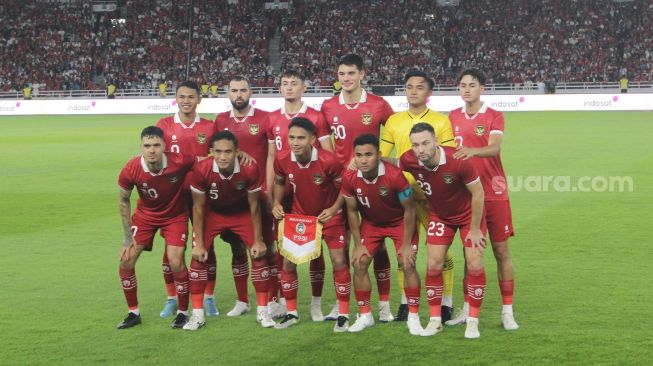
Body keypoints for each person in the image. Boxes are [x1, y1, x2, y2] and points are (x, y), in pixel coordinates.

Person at [321, 54, 396, 322]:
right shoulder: (329, 106)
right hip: (341, 186)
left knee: (377, 245)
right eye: (342, 74)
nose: (346, 79)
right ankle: (342, 303)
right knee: (341, 248)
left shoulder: (377, 104)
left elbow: (395, 132)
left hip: (374, 184)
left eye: (351, 73)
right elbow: (323, 140)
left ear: (362, 74)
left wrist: (379, 157)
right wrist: (335, 167)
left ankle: (384, 306)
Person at [380, 70, 457, 322]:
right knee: (405, 252)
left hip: (433, 197)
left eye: (419, 87)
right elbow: (381, 156)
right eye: (409, 86)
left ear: (429, 93)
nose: (413, 91)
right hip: (402, 198)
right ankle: (405, 302)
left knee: (441, 253)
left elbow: (449, 158)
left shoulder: (441, 121)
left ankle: (446, 302)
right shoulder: (393, 121)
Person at [399, 122, 487, 339]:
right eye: (416, 145)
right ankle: (436, 320)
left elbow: (478, 193)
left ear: (436, 141)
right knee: (433, 264)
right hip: (440, 216)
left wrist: (475, 229)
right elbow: (394, 165)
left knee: (475, 263)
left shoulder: (459, 161)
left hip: (469, 216)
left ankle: (473, 322)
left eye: (425, 143)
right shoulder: (409, 159)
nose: (420, 150)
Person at [448, 69, 519, 331]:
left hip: (494, 191)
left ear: (482, 88)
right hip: (467, 195)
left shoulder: (494, 115)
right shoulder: (452, 117)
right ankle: (467, 309)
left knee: (501, 252)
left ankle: (507, 311)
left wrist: (470, 151)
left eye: (472, 85)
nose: (466, 89)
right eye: (462, 85)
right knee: (471, 256)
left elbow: (495, 147)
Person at [184, 131, 275, 330]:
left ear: (237, 152)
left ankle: (262, 312)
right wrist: (198, 242)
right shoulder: (202, 169)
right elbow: (198, 208)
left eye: (228, 152)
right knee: (198, 256)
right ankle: (197, 315)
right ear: (211, 152)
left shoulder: (250, 168)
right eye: (218, 152)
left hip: (242, 213)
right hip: (213, 213)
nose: (223, 157)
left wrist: (258, 239)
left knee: (259, 254)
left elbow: (254, 206)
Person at [267, 70, 334, 321]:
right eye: (284, 83)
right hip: (283, 193)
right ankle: (285, 302)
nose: (289, 87)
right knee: (283, 249)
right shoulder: (273, 118)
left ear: (304, 87)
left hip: (313, 191)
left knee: (316, 248)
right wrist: (269, 190)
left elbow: (328, 153)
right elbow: (273, 157)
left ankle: (315, 304)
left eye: (294, 83)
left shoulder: (315, 116)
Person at [271, 117, 350, 332]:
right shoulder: (282, 159)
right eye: (292, 138)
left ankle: (343, 313)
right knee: (288, 263)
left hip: (329, 217)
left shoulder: (329, 161)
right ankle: (292, 313)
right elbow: (279, 182)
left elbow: (345, 190)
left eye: (301, 138)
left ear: (313, 139)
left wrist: (333, 210)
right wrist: (276, 202)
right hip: (300, 218)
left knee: (339, 260)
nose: (295, 143)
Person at [116, 126, 194, 329]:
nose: (152, 150)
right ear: (141, 147)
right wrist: (126, 237)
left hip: (175, 216)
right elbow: (123, 200)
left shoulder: (179, 160)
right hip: (145, 217)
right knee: (126, 261)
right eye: (147, 146)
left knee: (176, 262)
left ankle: (183, 312)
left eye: (156, 145)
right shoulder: (131, 168)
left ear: (164, 146)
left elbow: (203, 162)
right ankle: (133, 313)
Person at [342, 134, 420, 334]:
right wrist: (358, 244)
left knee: (407, 262)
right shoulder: (350, 178)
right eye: (359, 155)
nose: (363, 159)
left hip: (399, 222)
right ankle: (365, 315)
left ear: (379, 155)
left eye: (368, 154)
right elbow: (351, 210)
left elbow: (410, 210)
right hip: (372, 223)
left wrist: (405, 244)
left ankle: (413, 316)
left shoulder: (394, 176)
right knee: (359, 262)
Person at [155, 81, 219, 318]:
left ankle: (208, 298)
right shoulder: (164, 125)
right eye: (182, 96)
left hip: (203, 193)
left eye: (191, 97)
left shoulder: (209, 126)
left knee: (205, 244)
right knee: (172, 247)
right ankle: (172, 297)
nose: (186, 101)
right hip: (174, 196)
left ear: (199, 99)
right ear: (175, 98)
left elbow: (218, 155)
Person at [215, 76, 275, 318]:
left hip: (260, 193)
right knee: (237, 248)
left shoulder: (265, 118)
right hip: (232, 197)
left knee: (268, 247)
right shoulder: (220, 121)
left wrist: (269, 189)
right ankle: (242, 300)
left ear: (251, 92)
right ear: (228, 94)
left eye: (243, 90)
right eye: (234, 91)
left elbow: (272, 155)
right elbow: (215, 153)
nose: (239, 94)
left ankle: (272, 299)